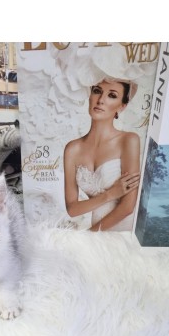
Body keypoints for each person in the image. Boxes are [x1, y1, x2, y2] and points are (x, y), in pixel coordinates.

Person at [63, 78, 141, 231]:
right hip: (95, 230)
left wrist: (89, 236)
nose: (100, 100)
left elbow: (127, 207)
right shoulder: (72, 149)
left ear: (122, 106)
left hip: (121, 231)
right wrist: (110, 194)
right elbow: (72, 209)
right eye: (97, 91)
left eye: (112, 95)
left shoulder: (129, 140)